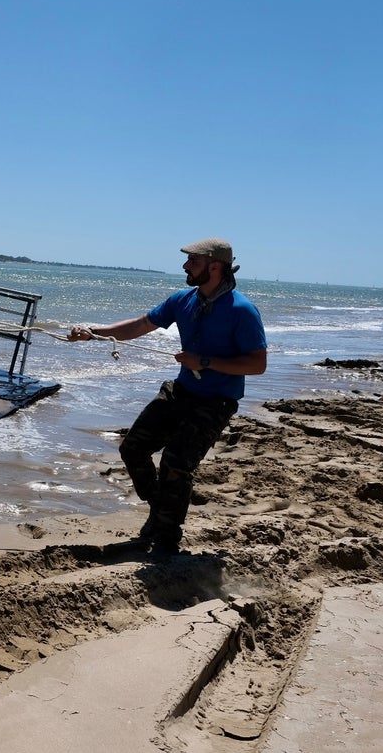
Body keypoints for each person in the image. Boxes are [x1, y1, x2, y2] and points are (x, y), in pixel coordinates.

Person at [68, 238, 267, 555]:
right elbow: (140, 325)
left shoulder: (242, 310)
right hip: (181, 391)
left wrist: (205, 362)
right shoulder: (182, 300)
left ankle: (166, 537)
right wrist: (93, 333)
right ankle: (160, 510)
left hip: (216, 401)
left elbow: (257, 364)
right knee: (133, 448)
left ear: (215, 266)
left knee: (176, 462)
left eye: (194, 261)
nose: (186, 266)